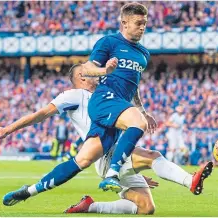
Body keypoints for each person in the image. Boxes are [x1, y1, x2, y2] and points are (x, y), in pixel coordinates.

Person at [0, 64, 213, 214]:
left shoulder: (108, 95)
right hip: (104, 152)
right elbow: (40, 114)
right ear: (80, 78)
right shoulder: (75, 95)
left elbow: (132, 90)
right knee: (154, 156)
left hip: (118, 152)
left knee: (146, 208)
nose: (94, 71)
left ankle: (91, 206)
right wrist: (7, 129)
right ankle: (188, 180)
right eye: (87, 70)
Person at [81, 2, 157, 192]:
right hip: (106, 100)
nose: (142, 27)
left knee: (83, 160)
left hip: (123, 105)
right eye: (138, 23)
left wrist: (142, 110)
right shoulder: (109, 42)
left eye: (145, 23)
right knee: (137, 124)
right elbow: (87, 69)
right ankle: (112, 173)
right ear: (124, 22)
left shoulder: (143, 53)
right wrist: (104, 70)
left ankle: (31, 190)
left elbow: (134, 84)